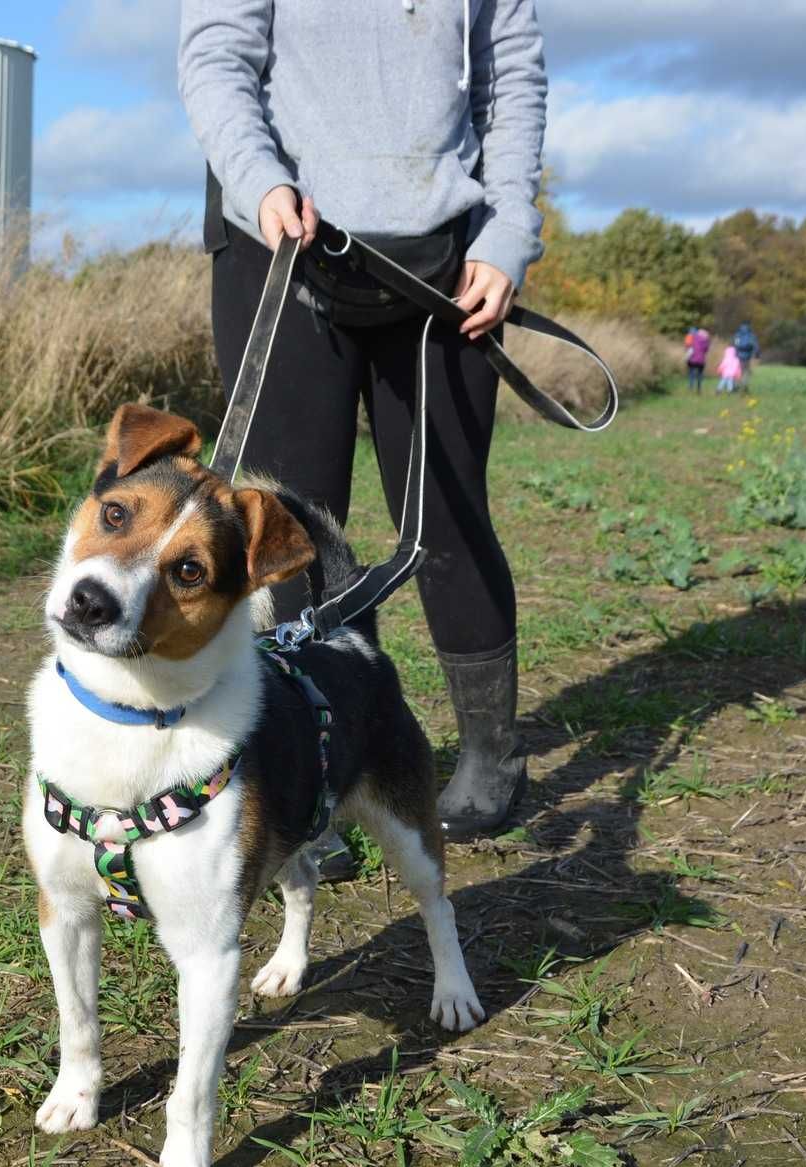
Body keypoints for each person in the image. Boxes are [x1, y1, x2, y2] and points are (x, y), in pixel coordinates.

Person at [180, 0, 549, 862]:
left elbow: (513, 78)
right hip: (281, 241)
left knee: (451, 519)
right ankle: (304, 770)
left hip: (449, 266)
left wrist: (508, 231)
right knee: (284, 531)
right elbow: (216, 57)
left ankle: (493, 758)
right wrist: (259, 178)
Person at [684, 324, 711, 393]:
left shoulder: (693, 337)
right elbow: (706, 350)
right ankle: (699, 388)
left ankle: (690, 386)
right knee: (700, 374)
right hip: (701, 360)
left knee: (691, 373)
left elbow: (687, 346)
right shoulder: (706, 340)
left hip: (692, 359)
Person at [733, 321, 759, 388]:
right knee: (746, 371)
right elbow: (755, 345)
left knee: (738, 371)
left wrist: (735, 353)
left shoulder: (737, 335)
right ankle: (744, 385)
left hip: (738, 356)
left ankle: (736, 385)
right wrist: (756, 354)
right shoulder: (751, 335)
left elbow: (735, 345)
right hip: (747, 356)